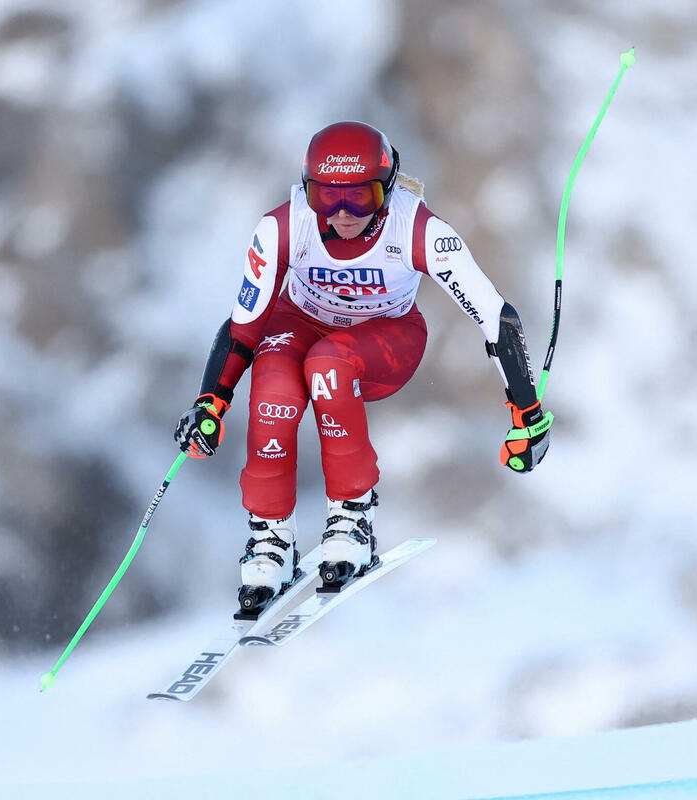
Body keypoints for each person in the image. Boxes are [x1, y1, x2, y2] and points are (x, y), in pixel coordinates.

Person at [174, 121, 552, 614]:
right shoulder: (283, 227)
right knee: (273, 388)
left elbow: (494, 315)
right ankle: (271, 537)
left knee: (327, 366)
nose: (343, 214)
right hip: (300, 320)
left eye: (361, 197)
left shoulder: (416, 229)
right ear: (306, 190)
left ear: (388, 188)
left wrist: (527, 413)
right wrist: (210, 402)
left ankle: (352, 517)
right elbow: (243, 326)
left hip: (385, 337)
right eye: (326, 198)